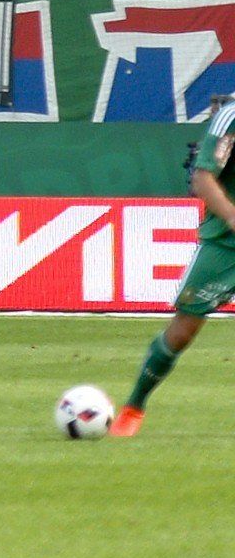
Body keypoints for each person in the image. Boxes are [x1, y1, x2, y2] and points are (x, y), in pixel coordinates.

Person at [114, 87, 235, 434]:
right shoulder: (231, 117)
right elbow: (203, 177)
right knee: (183, 331)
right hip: (226, 244)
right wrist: (231, 216)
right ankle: (134, 407)